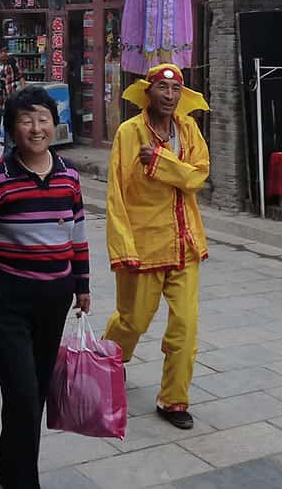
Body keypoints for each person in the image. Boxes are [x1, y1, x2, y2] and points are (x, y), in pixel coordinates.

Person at [0, 86, 90, 487]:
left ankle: (7, 464)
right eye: (26, 120)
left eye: (43, 119)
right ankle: (23, 479)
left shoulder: (68, 175)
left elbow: (78, 234)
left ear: (54, 123)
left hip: (54, 298)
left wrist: (82, 284)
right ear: (12, 129)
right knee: (23, 393)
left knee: (35, 391)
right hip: (5, 299)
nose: (36, 128)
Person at [104, 64, 209, 429]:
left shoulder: (188, 129)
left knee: (186, 326)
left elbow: (197, 175)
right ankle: (109, 361)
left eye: (175, 89)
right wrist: (121, 246)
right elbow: (116, 194)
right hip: (143, 245)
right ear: (147, 93)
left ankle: (174, 400)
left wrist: (162, 162)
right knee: (133, 320)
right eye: (162, 89)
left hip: (185, 244)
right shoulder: (128, 133)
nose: (169, 96)